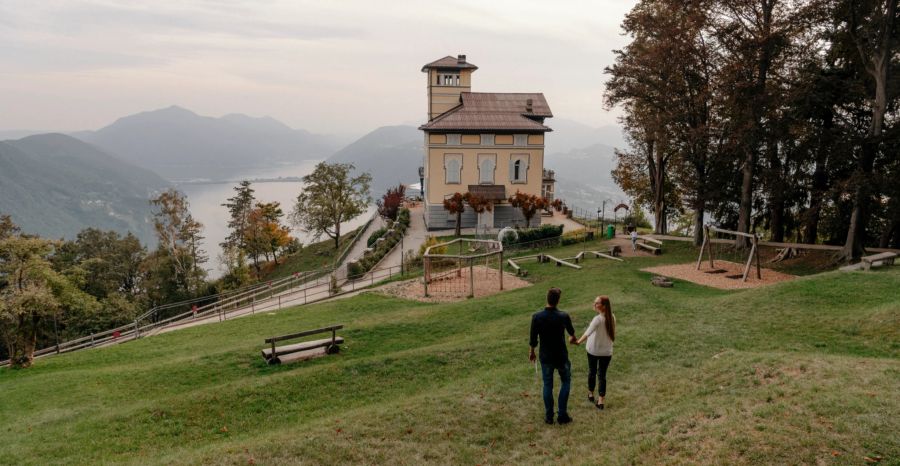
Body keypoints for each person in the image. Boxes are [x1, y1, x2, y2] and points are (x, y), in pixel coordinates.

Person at [529, 287, 577, 424]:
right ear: (558, 300)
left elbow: (533, 339)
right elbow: (572, 333)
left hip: (546, 356)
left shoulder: (537, 317)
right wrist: (573, 339)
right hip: (561, 355)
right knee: (566, 381)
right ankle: (562, 415)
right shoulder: (563, 316)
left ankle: (549, 416)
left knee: (547, 385)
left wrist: (532, 352)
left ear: (547, 298)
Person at [576, 296, 616, 410]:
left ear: (603, 306)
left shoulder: (597, 319)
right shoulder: (612, 317)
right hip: (607, 352)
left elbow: (587, 333)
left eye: (597, 303)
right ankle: (601, 401)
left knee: (592, 372)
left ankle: (590, 394)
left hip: (593, 351)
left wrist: (578, 342)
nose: (594, 304)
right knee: (602, 375)